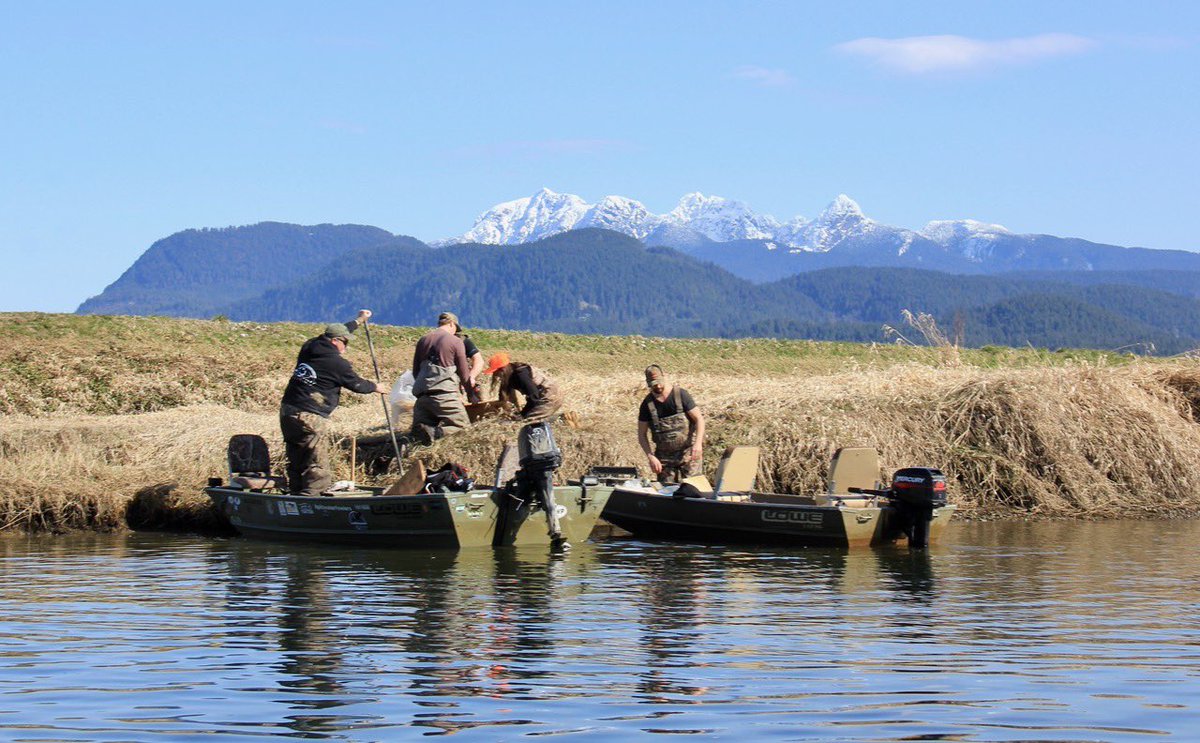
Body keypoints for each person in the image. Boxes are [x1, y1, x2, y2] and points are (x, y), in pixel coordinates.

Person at [280, 310, 387, 496]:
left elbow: (343, 329)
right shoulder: (337, 364)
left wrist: (359, 320)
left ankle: (296, 493)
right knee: (316, 459)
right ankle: (314, 498)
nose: (346, 347)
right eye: (344, 342)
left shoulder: (310, 346)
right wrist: (376, 386)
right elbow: (357, 384)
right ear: (334, 341)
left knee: (296, 455)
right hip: (310, 415)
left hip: (288, 411)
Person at [408, 311, 472, 444]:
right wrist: (471, 394)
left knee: (418, 438)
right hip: (444, 396)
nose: (456, 332)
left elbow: (416, 371)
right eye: (456, 329)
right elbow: (464, 373)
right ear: (451, 324)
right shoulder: (455, 341)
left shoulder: (423, 340)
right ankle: (435, 432)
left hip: (422, 397)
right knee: (463, 428)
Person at [637, 364, 705, 484]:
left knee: (694, 490)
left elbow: (699, 419)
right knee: (666, 492)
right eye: (653, 384)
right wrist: (651, 456)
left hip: (688, 455)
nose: (657, 386)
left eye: (659, 382)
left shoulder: (681, 395)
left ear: (664, 377)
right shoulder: (647, 405)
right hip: (664, 459)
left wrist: (698, 444)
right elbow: (641, 434)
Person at [483, 352, 564, 423]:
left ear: (502, 370)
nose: (496, 376)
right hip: (544, 396)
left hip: (550, 397)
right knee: (527, 418)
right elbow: (507, 397)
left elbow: (534, 396)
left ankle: (562, 419)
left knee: (529, 422)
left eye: (496, 372)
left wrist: (522, 414)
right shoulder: (510, 373)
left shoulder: (520, 374)